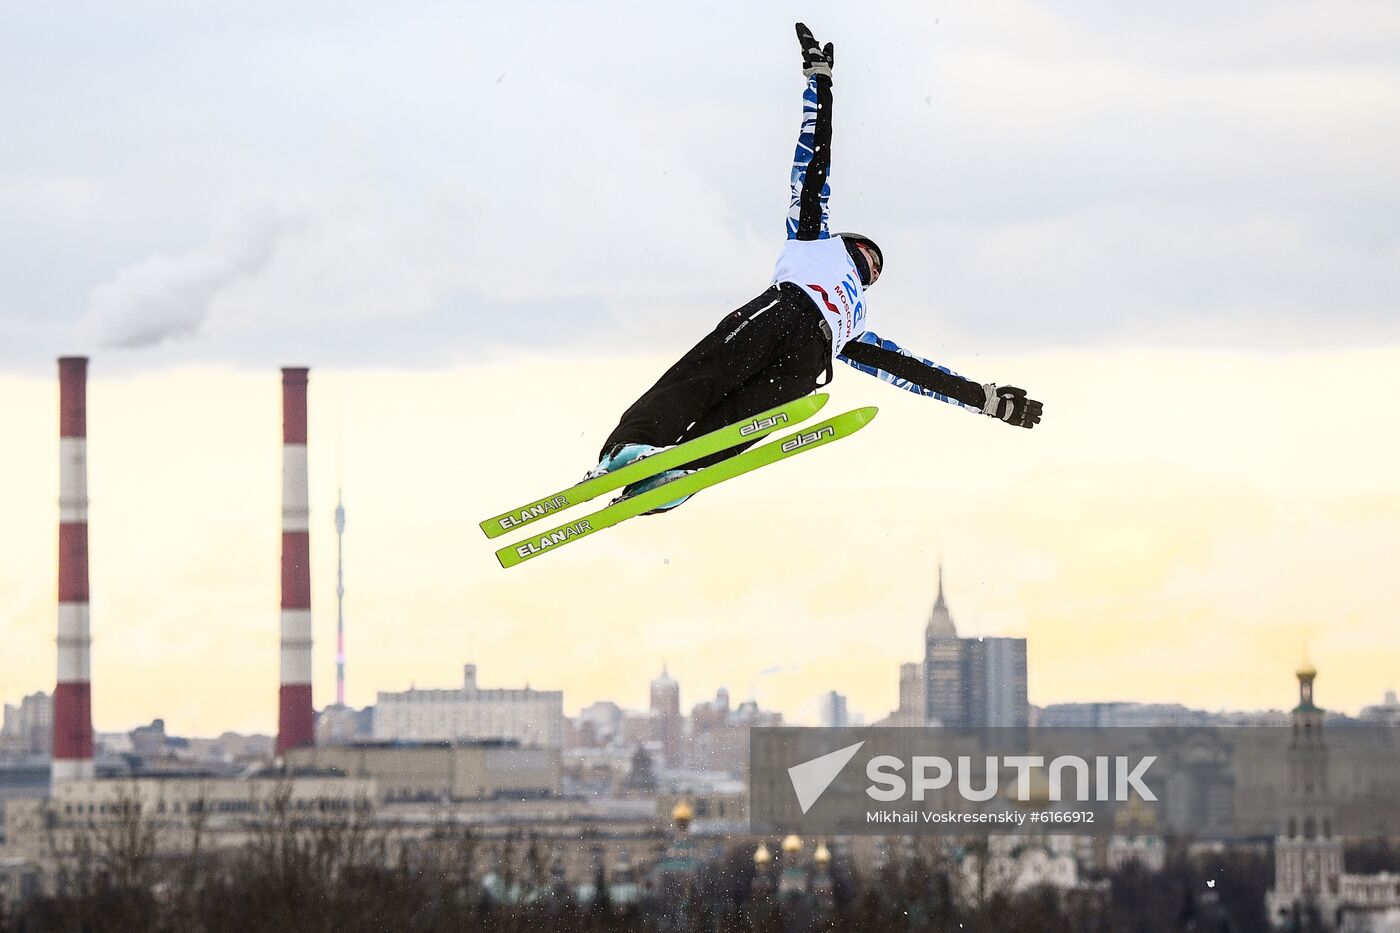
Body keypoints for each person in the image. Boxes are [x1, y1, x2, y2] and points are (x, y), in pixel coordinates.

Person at [589, 22, 1043, 512]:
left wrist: (987, 399)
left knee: (723, 400)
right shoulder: (817, 244)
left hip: (801, 341)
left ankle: (653, 466)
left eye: (872, 271)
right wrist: (820, 84)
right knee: (721, 399)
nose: (867, 267)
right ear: (847, 243)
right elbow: (815, 164)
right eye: (866, 255)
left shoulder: (853, 313)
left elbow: (913, 372)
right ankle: (652, 461)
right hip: (797, 338)